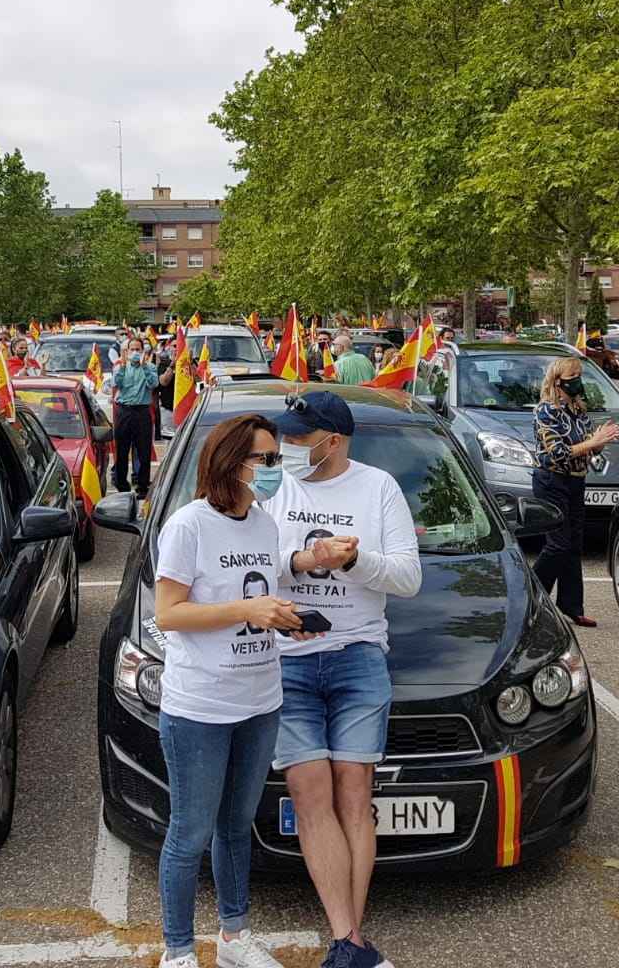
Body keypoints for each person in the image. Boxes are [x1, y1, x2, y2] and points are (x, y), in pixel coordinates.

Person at [263, 391, 421, 968]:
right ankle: (350, 941)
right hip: (287, 657)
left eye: (300, 439)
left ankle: (346, 943)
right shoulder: (273, 485)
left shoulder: (378, 487)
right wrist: (306, 561)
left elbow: (407, 577)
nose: (289, 448)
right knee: (310, 795)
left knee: (355, 792)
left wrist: (354, 562)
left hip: (358, 655)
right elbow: (243, 560)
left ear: (333, 441)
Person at [153, 414, 312, 968]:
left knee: (236, 828)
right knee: (189, 835)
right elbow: (168, 614)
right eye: (265, 460)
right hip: (199, 707)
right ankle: (177, 951)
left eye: (276, 459)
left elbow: (261, 598)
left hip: (260, 701)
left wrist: (288, 617)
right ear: (231, 463)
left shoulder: (265, 524)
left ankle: (234, 939)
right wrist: (248, 608)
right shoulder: (188, 526)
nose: (275, 469)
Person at [531, 357, 619, 627]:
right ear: (558, 380)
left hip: (576, 480)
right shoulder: (546, 410)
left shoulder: (578, 409)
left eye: (580, 374)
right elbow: (557, 453)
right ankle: (532, 599)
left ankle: (571, 606)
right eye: (574, 374)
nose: (579, 379)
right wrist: (591, 442)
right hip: (551, 480)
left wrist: (598, 443)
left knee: (573, 546)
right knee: (557, 544)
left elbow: (585, 445)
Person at [111, 337, 159, 497]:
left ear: (143, 351)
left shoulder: (150, 367)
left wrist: (144, 366)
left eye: (138, 349)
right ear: (126, 351)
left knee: (143, 450)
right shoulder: (120, 367)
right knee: (122, 450)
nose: (135, 352)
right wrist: (123, 367)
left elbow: (153, 384)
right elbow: (115, 384)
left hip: (141, 412)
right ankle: (122, 487)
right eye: (132, 349)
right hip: (124, 411)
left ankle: (143, 487)